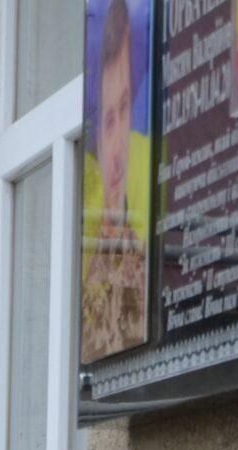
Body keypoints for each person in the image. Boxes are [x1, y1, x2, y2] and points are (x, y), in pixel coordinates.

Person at [81, 0, 150, 363]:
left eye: (124, 109)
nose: (119, 149)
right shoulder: (80, 248)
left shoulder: (140, 250)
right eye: (108, 120)